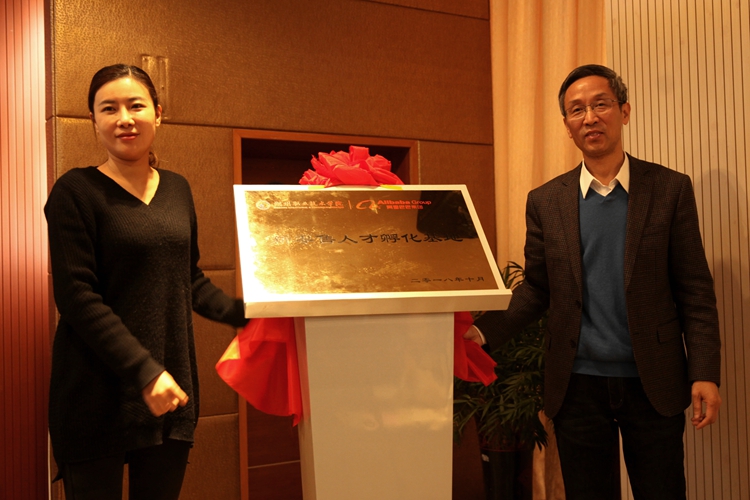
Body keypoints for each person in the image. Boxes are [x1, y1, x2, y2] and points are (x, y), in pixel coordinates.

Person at [464, 64, 722, 499]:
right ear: (567, 125)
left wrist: (704, 373)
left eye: (600, 105)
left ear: (624, 111)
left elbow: (694, 291)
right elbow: (537, 289)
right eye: (576, 110)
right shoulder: (546, 201)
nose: (589, 117)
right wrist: (481, 332)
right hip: (577, 384)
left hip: (652, 379)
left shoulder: (669, 189)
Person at [44, 64, 248, 500]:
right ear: (93, 120)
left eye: (136, 105)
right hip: (95, 392)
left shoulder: (177, 189)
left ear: (157, 113)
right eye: (109, 109)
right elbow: (77, 296)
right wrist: (145, 371)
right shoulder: (75, 191)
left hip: (167, 388)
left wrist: (246, 314)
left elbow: (188, 278)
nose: (125, 118)